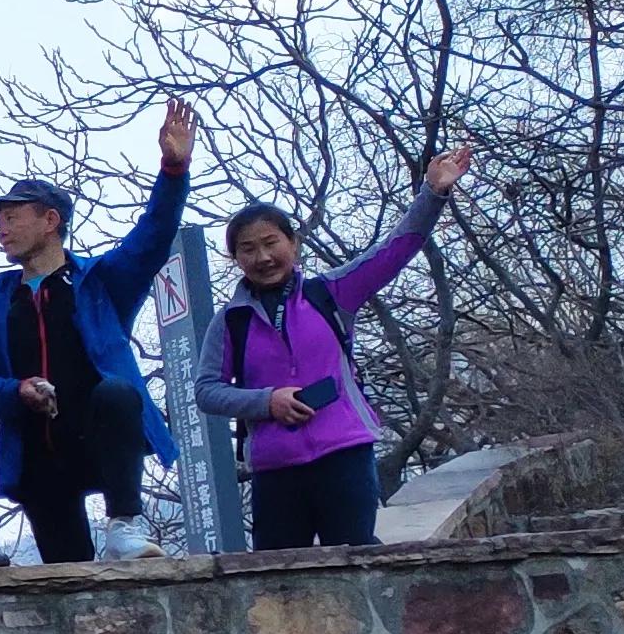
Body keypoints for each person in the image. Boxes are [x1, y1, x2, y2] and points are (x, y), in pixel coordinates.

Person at [196, 141, 479, 550]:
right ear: (235, 258)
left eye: (271, 242)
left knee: (357, 567)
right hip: (275, 469)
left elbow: (394, 250)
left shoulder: (330, 294)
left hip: (344, 454)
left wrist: (432, 193)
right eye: (248, 248)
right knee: (279, 586)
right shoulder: (230, 322)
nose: (262, 256)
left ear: (293, 244)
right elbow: (207, 390)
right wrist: (266, 401)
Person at [0, 102, 197, 565]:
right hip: (36, 457)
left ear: (50, 221)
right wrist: (16, 390)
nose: (2, 228)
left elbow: (151, 237)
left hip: (97, 437)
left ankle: (125, 523)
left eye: (13, 216)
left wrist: (173, 170)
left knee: (118, 393)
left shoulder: (99, 282)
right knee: (66, 580)